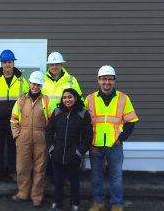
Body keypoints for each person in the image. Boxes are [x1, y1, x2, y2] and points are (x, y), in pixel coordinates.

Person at [86, 65, 139, 211]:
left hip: (115, 144)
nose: (107, 82)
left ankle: (116, 203)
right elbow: (84, 123)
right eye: (104, 79)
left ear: (114, 80)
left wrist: (121, 139)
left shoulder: (123, 98)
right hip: (95, 144)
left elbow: (131, 121)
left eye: (110, 79)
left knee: (116, 176)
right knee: (96, 175)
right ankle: (98, 202)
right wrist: (88, 141)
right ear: (98, 80)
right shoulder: (89, 99)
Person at [10, 71, 54, 207]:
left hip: (41, 137)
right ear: (29, 83)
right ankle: (23, 193)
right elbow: (13, 119)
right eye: (33, 83)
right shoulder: (21, 100)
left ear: (41, 85)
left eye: (38, 84)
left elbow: (52, 122)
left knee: (39, 168)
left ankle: (36, 196)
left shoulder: (47, 100)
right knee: (22, 167)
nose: (35, 86)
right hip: (23, 137)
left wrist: (49, 138)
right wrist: (17, 136)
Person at [0, 49, 29, 183]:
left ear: (13, 63)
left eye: (10, 62)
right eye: (5, 62)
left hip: (15, 121)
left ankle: (13, 171)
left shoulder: (22, 80)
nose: (7, 65)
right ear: (1, 64)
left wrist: (23, 116)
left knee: (13, 146)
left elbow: (27, 98)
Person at [46, 88, 93, 211]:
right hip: (57, 154)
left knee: (74, 182)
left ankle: (75, 203)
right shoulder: (57, 112)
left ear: (75, 98)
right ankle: (58, 203)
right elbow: (49, 132)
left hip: (74, 155)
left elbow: (88, 136)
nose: (67, 100)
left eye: (70, 97)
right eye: (65, 97)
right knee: (58, 181)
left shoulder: (83, 113)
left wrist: (79, 152)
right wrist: (51, 149)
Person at [42, 51, 83, 182]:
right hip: (48, 120)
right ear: (48, 66)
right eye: (52, 65)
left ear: (61, 65)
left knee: (65, 147)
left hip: (66, 119)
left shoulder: (71, 80)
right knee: (49, 148)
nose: (54, 67)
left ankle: (64, 178)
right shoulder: (42, 80)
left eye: (57, 64)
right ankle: (49, 176)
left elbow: (79, 99)